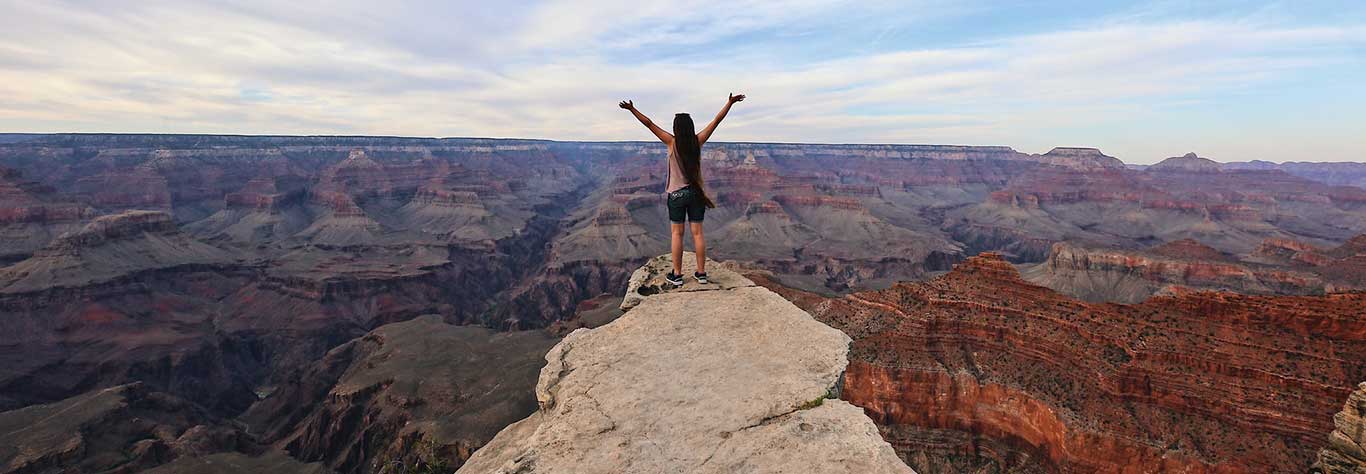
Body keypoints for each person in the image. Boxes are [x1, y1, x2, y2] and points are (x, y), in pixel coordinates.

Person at [620, 93, 745, 286]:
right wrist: (729, 103)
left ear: (675, 128)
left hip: (676, 195)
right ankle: (701, 273)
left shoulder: (671, 142)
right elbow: (717, 121)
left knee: (677, 234)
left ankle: (677, 275)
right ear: (691, 127)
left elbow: (649, 124)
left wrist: (632, 110)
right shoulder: (698, 141)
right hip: (696, 194)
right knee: (698, 234)